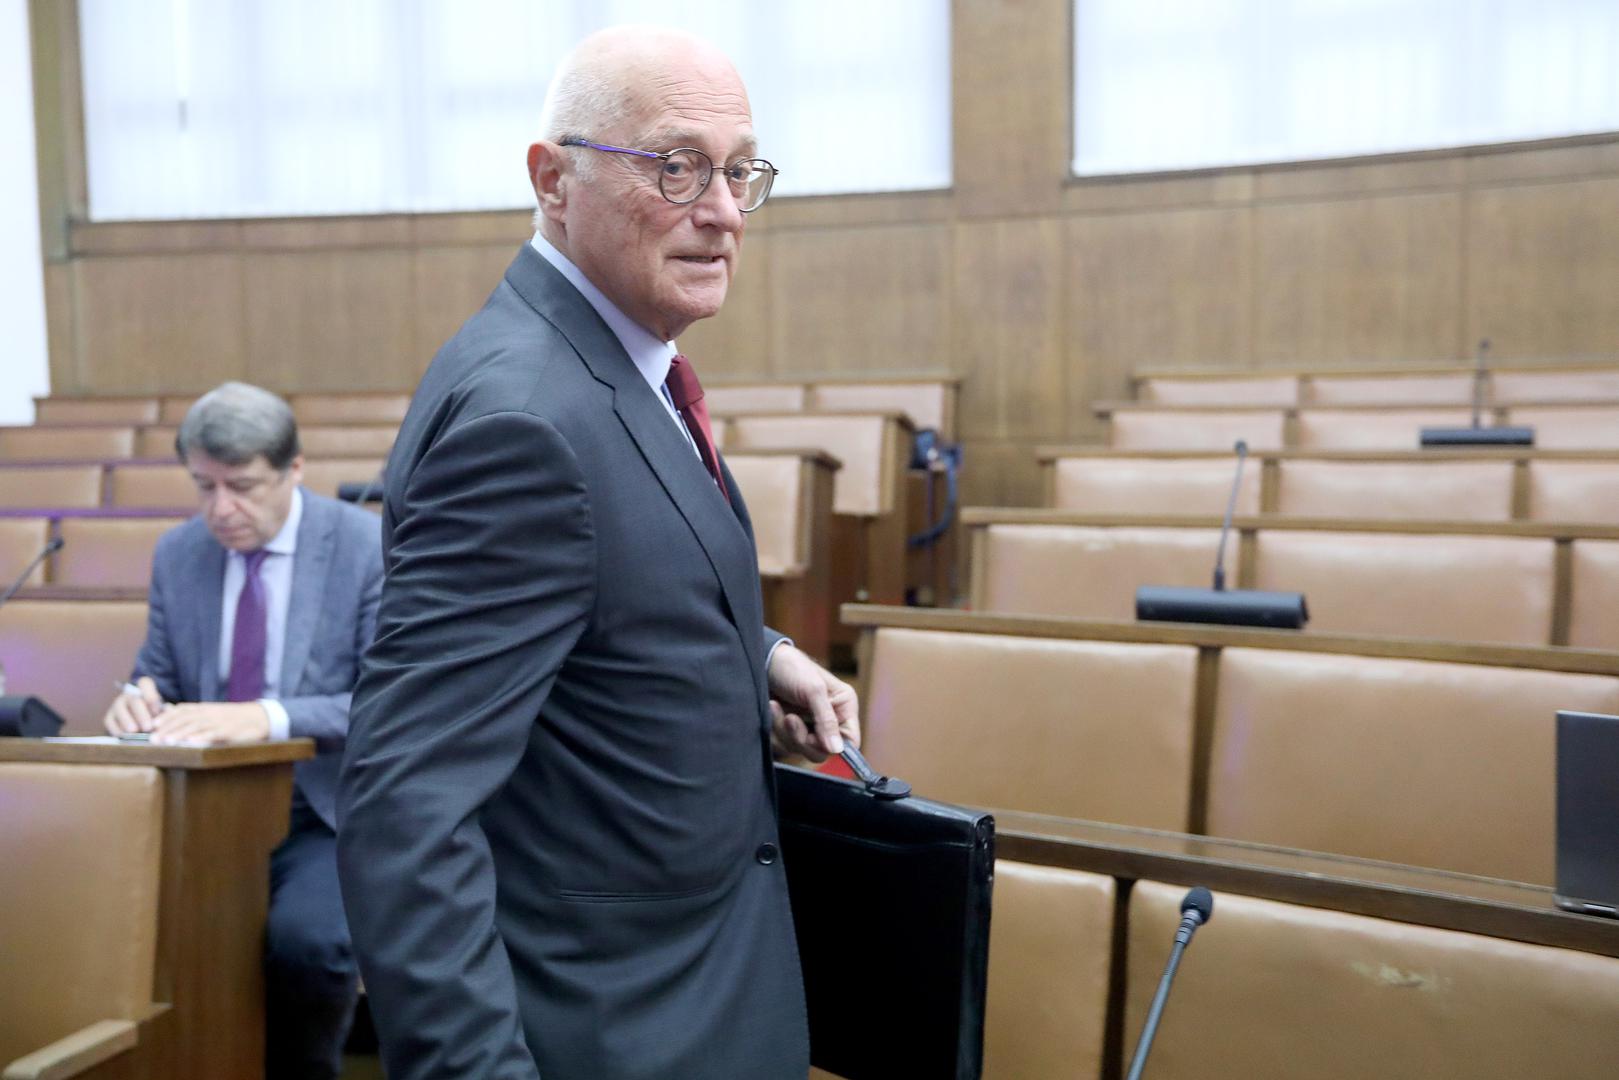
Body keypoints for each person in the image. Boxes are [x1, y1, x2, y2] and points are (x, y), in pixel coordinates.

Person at [337, 25, 859, 1080]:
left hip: (695, 991)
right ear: (552, 180)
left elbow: (612, 583)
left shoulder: (609, 362)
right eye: (675, 167)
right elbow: (407, 807)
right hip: (616, 1025)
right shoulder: (523, 420)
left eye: (737, 171)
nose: (722, 211)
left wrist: (752, 658)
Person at [103, 381, 383, 1080]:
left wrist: (268, 716)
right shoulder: (179, 552)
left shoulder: (363, 546)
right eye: (204, 487)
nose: (220, 509)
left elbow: (387, 703)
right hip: (204, 808)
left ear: (294, 469)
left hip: (322, 812)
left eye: (243, 487)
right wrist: (137, 701)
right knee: (133, 933)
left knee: (308, 944)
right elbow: (156, 675)